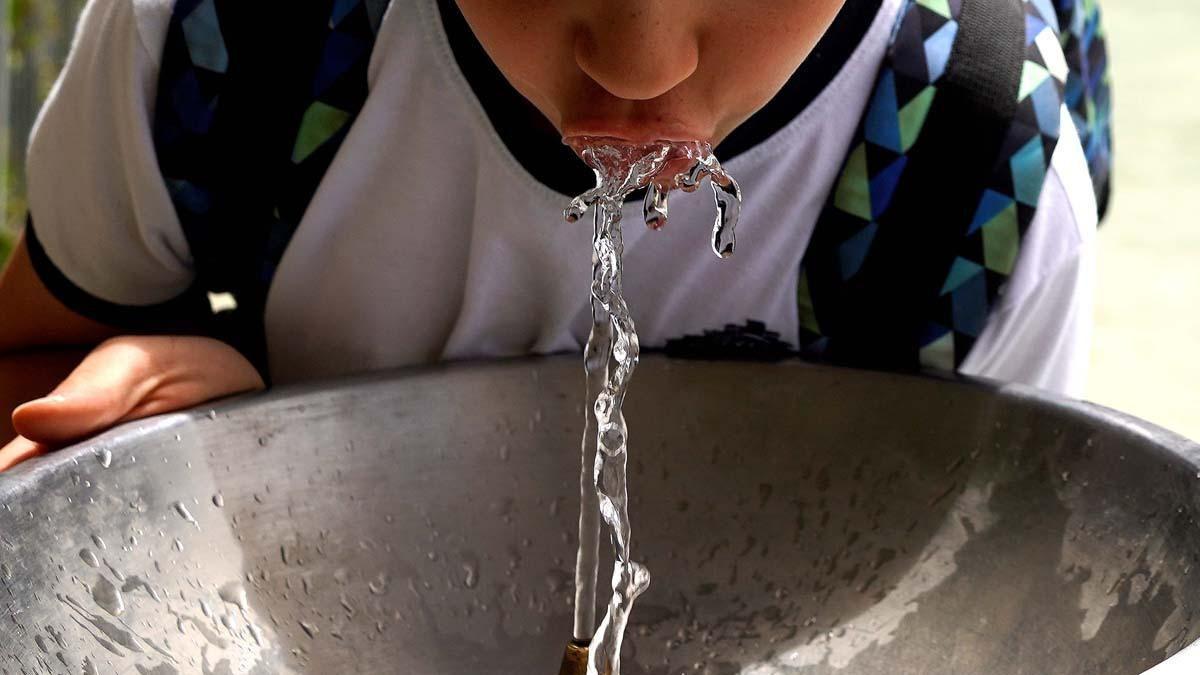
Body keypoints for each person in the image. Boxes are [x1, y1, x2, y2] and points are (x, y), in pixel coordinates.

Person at [0, 0, 1101, 470]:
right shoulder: (233, 46)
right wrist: (204, 420)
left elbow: (964, 569)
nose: (638, 62)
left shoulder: (968, 182)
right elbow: (32, 355)